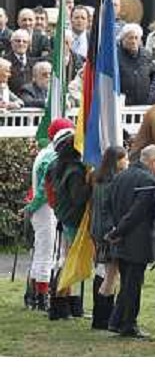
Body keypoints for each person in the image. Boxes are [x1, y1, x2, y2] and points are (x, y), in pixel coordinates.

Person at [107, 145, 155, 338]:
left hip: (121, 238)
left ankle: (116, 320)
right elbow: (137, 213)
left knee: (126, 283)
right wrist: (119, 231)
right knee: (133, 285)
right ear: (153, 161)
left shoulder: (120, 176)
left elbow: (110, 205)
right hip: (136, 239)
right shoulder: (148, 180)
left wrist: (115, 231)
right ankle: (128, 324)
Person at [23, 118, 74, 312]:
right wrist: (33, 206)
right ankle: (42, 297)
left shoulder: (44, 153)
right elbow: (45, 188)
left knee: (41, 251)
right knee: (47, 253)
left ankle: (35, 295)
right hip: (45, 208)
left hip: (41, 209)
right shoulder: (51, 156)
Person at [46, 127, 91, 320]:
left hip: (65, 216)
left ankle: (65, 302)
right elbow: (78, 197)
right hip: (73, 218)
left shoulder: (58, 165)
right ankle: (59, 303)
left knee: (67, 260)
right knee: (69, 262)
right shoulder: (74, 171)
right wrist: (90, 184)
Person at [90, 146, 129, 330]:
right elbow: (108, 210)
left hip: (97, 232)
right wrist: (113, 232)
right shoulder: (112, 183)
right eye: (125, 158)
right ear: (117, 161)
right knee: (111, 277)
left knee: (108, 274)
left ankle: (101, 317)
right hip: (108, 234)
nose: (127, 162)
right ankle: (103, 319)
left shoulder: (98, 180)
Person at [117, 24, 155, 105]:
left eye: (136, 38)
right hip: (123, 104)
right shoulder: (115, 56)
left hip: (143, 103)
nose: (133, 41)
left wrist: (152, 89)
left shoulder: (145, 55)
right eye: (130, 38)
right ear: (123, 39)